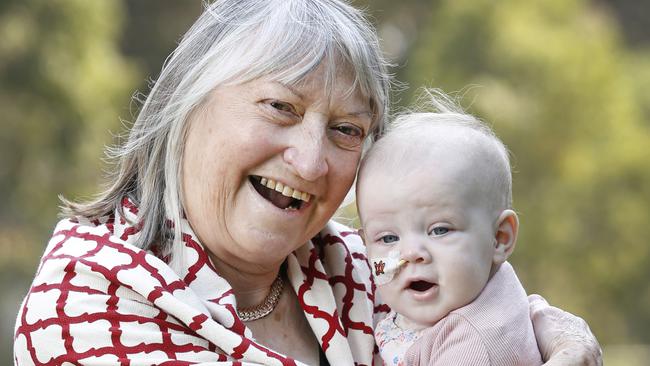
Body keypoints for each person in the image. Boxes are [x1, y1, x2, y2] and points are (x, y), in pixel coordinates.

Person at [14, 0, 601, 365]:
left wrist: (560, 336)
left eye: (347, 130)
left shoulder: (355, 263)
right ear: (187, 108)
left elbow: (491, 297)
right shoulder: (89, 295)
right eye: (279, 107)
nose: (313, 162)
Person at [356, 91, 543, 365]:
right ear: (364, 245)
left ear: (499, 238)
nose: (410, 253)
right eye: (388, 237)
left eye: (439, 230)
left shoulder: (473, 347)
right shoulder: (486, 290)